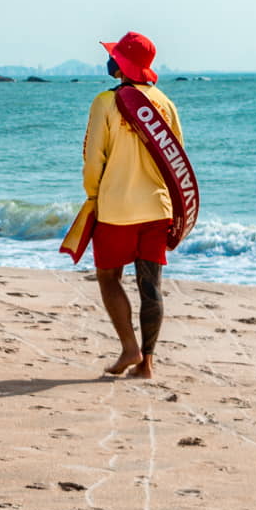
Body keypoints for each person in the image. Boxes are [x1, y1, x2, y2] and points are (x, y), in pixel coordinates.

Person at [82, 32, 183, 379]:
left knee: (109, 277)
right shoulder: (166, 104)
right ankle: (147, 363)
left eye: (113, 56)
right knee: (151, 285)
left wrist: (93, 195)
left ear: (120, 64)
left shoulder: (104, 102)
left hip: (117, 207)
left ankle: (129, 347)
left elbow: (94, 157)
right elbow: (176, 160)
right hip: (158, 207)